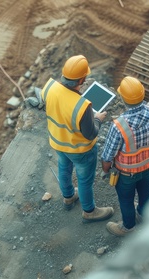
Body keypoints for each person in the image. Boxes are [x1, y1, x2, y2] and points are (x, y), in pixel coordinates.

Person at [41, 54, 114, 223]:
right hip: (79, 150)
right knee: (84, 180)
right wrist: (98, 119)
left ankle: (68, 197)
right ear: (81, 80)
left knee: (64, 168)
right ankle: (89, 211)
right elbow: (91, 133)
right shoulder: (82, 106)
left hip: (58, 142)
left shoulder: (49, 87)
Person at [101, 76, 149, 236]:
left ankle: (128, 227)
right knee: (146, 193)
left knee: (126, 200)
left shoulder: (119, 125)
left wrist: (106, 171)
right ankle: (144, 214)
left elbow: (108, 156)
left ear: (123, 98)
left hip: (126, 174)